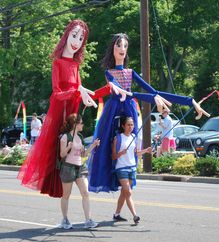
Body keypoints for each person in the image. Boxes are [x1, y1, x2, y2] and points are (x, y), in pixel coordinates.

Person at [88, 33, 209, 193]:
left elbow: (155, 92)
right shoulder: (109, 73)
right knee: (108, 144)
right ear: (113, 49)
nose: (122, 49)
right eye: (118, 45)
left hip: (129, 109)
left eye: (125, 45)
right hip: (114, 110)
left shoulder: (130, 72)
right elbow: (127, 93)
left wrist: (190, 101)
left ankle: (125, 178)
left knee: (131, 143)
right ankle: (109, 177)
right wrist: (152, 97)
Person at [17, 19, 110, 197]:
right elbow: (56, 93)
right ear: (67, 35)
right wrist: (77, 91)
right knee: (56, 153)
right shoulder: (58, 63)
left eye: (81, 38)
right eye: (74, 35)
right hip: (59, 113)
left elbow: (83, 92)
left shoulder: (75, 65)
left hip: (72, 114)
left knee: (70, 154)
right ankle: (58, 191)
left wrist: (105, 90)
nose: (77, 41)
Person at [59, 113, 99, 229]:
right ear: (75, 124)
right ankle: (65, 219)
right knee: (66, 195)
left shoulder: (80, 137)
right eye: (81, 123)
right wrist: (68, 147)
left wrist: (94, 145)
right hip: (68, 168)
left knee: (85, 193)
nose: (83, 125)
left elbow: (84, 154)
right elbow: (62, 154)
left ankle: (88, 220)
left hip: (80, 167)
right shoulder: (65, 137)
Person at [112, 116, 152, 224]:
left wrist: (146, 151)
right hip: (121, 168)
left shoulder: (134, 137)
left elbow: (136, 153)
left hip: (132, 168)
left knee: (124, 193)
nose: (131, 127)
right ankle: (135, 216)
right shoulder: (118, 138)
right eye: (128, 125)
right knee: (128, 192)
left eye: (132, 125)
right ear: (123, 126)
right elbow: (113, 156)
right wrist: (121, 153)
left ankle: (116, 214)